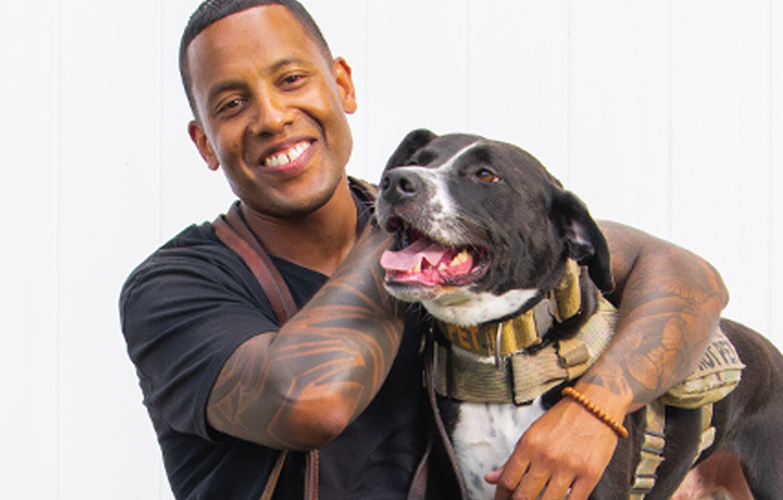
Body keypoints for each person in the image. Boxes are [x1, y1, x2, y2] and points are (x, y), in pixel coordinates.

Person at [119, 1, 728, 498]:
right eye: (232, 104)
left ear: (342, 85)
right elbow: (313, 398)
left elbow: (690, 278)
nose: (273, 116)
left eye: (291, 80)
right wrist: (407, 233)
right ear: (204, 143)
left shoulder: (447, 229)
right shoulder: (174, 287)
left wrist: (595, 411)